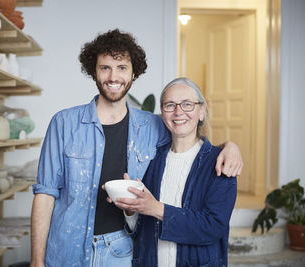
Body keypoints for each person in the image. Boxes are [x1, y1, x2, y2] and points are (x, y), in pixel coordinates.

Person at [30, 29, 242, 267]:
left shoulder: (152, 125)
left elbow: (188, 137)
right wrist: (36, 261)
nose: (114, 76)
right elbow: (45, 194)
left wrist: (228, 146)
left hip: (120, 252)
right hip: (66, 248)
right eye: (105, 67)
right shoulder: (64, 123)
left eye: (122, 68)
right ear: (94, 71)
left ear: (133, 73)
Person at [114, 77, 238, 267]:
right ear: (162, 113)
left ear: (202, 112)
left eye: (187, 104)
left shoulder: (220, 163)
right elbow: (140, 229)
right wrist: (131, 209)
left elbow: (213, 227)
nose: (178, 112)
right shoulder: (151, 160)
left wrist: (156, 208)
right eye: (170, 105)